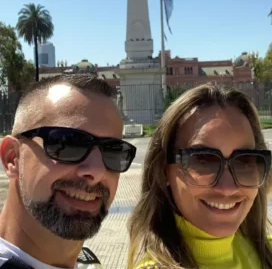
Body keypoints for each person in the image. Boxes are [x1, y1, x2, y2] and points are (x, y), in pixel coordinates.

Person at [128, 84, 272, 269]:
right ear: (163, 170)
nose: (228, 188)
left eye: (244, 161)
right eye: (203, 161)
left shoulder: (264, 249)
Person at [0, 74, 136, 268]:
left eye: (113, 151)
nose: (96, 171)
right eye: (68, 144)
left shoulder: (88, 263)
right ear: (12, 158)